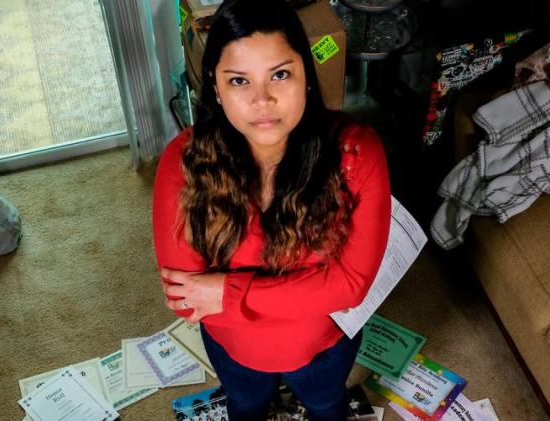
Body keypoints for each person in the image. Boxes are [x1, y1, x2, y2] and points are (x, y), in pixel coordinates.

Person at [151, 0, 391, 419]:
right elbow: (187, 299)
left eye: (280, 74)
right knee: (245, 406)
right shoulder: (183, 159)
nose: (263, 100)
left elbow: (351, 286)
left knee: (324, 404)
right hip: (234, 350)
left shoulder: (357, 153)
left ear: (306, 77)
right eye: (240, 80)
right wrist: (309, 290)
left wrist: (228, 291)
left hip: (325, 348)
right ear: (216, 87)